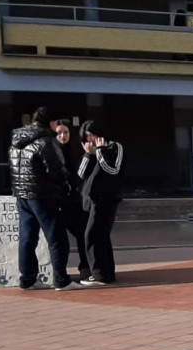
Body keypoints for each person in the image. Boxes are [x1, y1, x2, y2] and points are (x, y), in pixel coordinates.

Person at [9, 107, 73, 291]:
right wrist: (64, 180)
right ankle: (61, 279)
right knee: (57, 238)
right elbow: (56, 171)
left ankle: (27, 279)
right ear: (51, 123)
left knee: (28, 238)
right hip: (43, 195)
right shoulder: (47, 141)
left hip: (22, 195)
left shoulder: (16, 140)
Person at [76, 121, 124, 286]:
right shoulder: (92, 150)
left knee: (93, 235)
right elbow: (81, 174)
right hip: (90, 199)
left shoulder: (114, 147)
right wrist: (88, 155)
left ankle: (98, 274)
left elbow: (113, 170)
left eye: (92, 135)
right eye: (86, 136)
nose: (90, 139)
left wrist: (100, 152)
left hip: (107, 198)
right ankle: (106, 273)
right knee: (100, 236)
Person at [53, 120, 90, 283]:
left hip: (73, 200)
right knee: (59, 239)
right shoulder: (51, 151)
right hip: (56, 200)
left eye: (66, 132)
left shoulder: (75, 150)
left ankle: (85, 268)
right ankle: (59, 274)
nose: (62, 136)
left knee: (83, 233)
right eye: (59, 133)